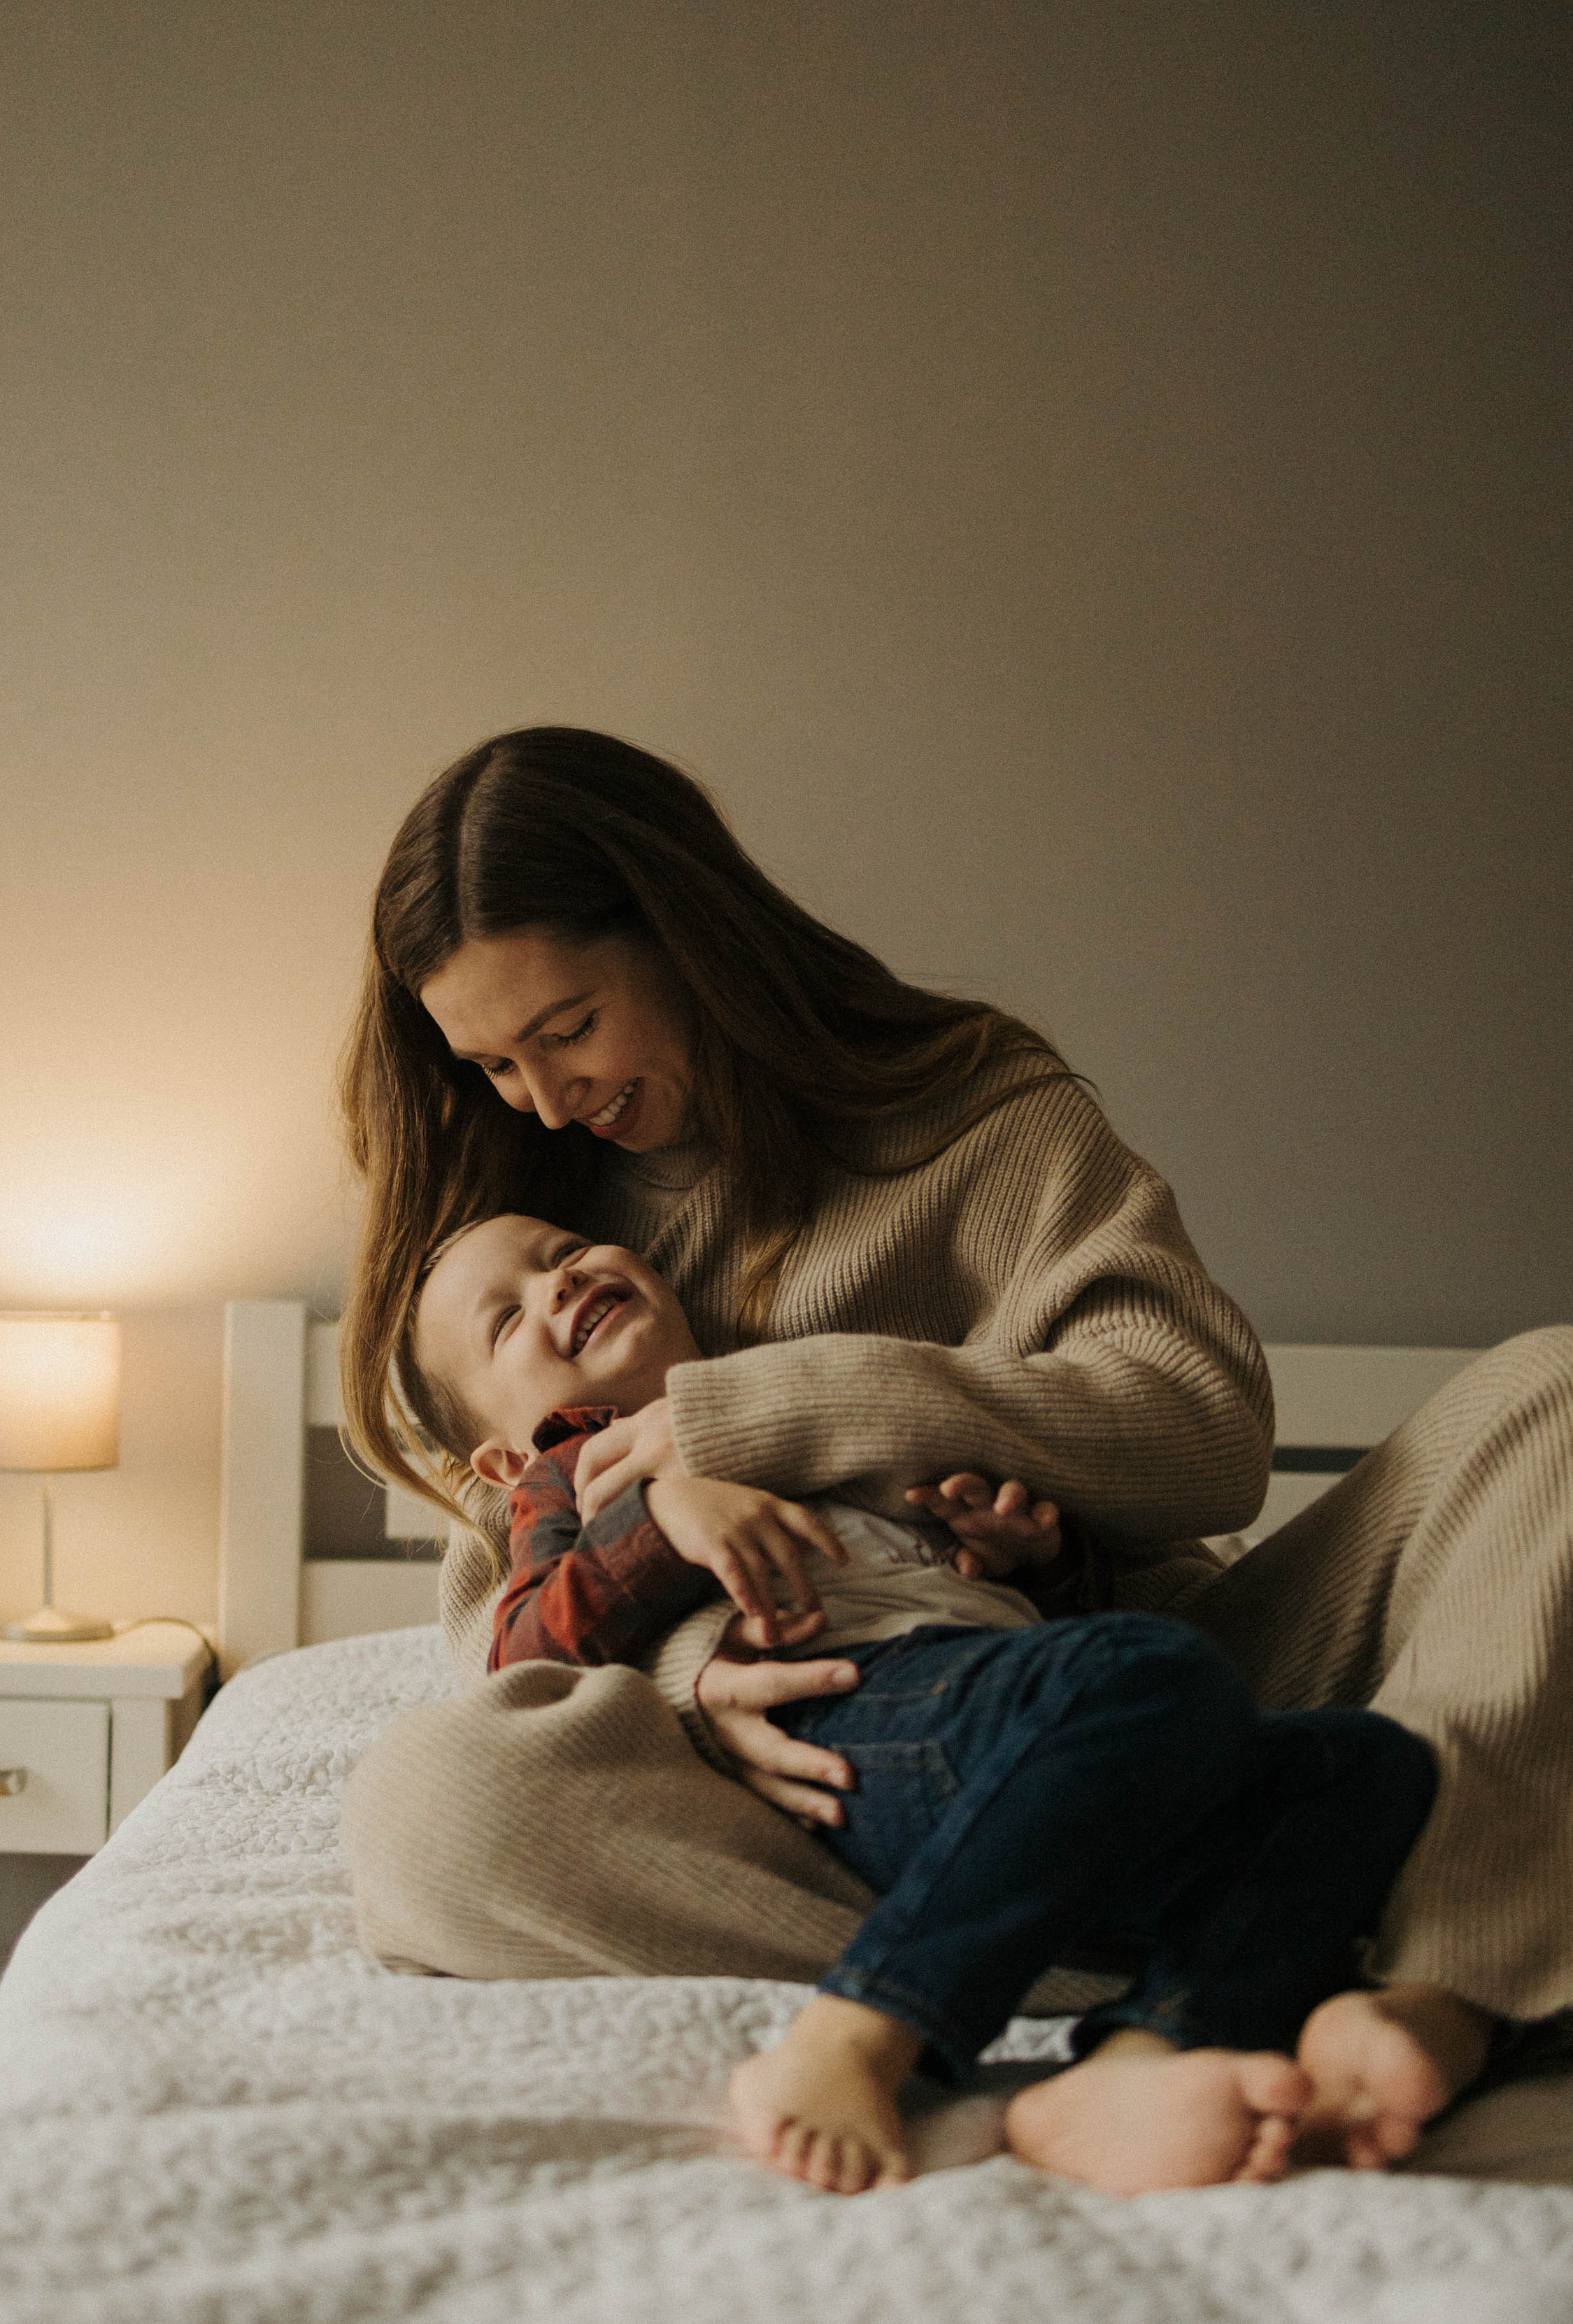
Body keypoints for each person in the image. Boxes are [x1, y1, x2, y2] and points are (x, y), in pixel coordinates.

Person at [338, 725, 1573, 2168]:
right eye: (490, 1060)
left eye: (565, 1030)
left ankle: (1434, 1989)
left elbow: (1202, 1432)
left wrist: (780, 1410)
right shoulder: (516, 1240)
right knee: (431, 1812)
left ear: (687, 938)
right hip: (822, 1784)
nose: (542, 1098)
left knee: (1549, 1397)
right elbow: (506, 1622)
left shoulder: (969, 1106)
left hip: (1139, 1675)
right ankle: (1230, 1938)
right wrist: (695, 1675)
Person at [401, 1207, 1439, 2195]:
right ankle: (864, 2026)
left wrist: (1020, 1552)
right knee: (1154, 1676)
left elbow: (983, 1587)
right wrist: (666, 1516)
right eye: (508, 1318)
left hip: (1003, 1705)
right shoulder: (568, 1473)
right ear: (501, 1457)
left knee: (1363, 1765)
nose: (560, 1281)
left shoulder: (799, 1393)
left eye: (564, 1249)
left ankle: (1142, 2056)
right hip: (865, 1717)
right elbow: (525, 1652)